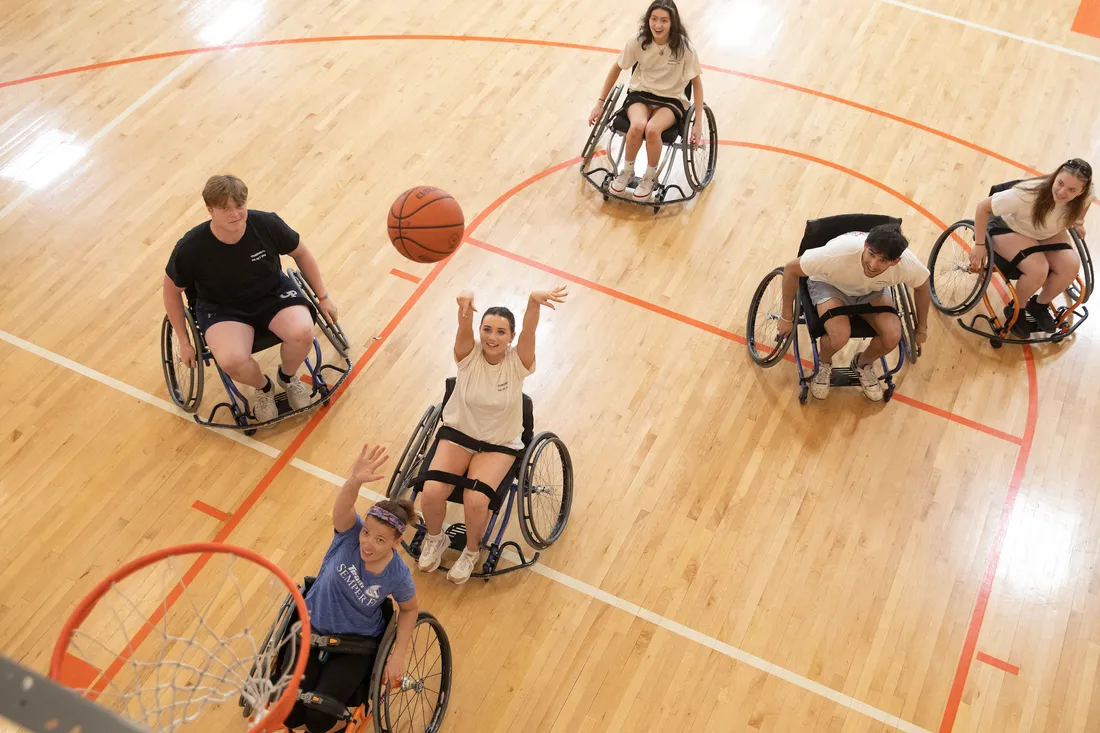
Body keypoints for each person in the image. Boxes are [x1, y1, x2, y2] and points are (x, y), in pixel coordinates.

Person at [416, 286, 568, 584]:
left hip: (499, 445)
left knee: (475, 500)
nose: (492, 337)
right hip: (459, 435)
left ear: (510, 338)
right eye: (487, 329)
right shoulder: (468, 356)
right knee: (432, 490)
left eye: (500, 332)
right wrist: (464, 307)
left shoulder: (517, 362)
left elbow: (529, 333)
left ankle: (472, 551)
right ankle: (436, 538)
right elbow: (463, 329)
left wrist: (532, 303)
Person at [162, 175, 340, 423]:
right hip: (222, 309)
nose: (235, 214)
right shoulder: (191, 247)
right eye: (225, 208)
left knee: (303, 331)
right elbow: (171, 291)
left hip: (272, 293)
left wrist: (323, 297)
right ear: (210, 209)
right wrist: (183, 341)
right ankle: (264, 388)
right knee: (232, 359)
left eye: (239, 206)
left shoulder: (266, 224)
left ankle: (288, 378)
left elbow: (301, 253)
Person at [283, 444, 419, 733]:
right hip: (311, 630)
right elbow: (343, 506)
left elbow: (410, 609)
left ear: (396, 543)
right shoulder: (348, 535)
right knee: (291, 715)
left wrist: (399, 653)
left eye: (380, 540)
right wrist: (355, 480)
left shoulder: (398, 574)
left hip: (353, 644)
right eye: (368, 533)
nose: (368, 543)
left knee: (319, 720)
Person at [777, 223, 931, 401]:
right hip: (830, 285)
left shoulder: (907, 265)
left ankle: (862, 364)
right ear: (865, 245)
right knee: (839, 336)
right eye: (872, 254)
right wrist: (786, 316)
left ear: (895, 261)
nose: (873, 265)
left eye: (883, 261)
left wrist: (921, 329)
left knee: (893, 336)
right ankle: (824, 363)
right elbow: (790, 269)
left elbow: (922, 287)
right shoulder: (836, 253)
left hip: (872, 291)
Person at [588, 0, 704, 200]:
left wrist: (698, 123)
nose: (658, 25)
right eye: (654, 19)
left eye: (664, 21)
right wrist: (600, 102)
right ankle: (627, 171)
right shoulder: (638, 41)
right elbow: (616, 69)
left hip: (671, 99)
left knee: (652, 129)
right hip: (641, 95)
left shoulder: (685, 48)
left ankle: (650, 177)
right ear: (648, 20)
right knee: (637, 125)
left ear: (673, 23)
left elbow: (697, 85)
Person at [969, 159, 1092, 336]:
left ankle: (1039, 305)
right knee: (1038, 269)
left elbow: (1088, 199)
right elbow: (982, 207)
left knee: (1071, 266)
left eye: (1072, 190)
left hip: (1043, 231)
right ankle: (1017, 308)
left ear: (1081, 191)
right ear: (1055, 176)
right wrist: (979, 244)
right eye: (1060, 183)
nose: (1062, 192)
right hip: (1009, 228)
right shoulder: (1027, 194)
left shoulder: (1085, 193)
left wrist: (1079, 222)